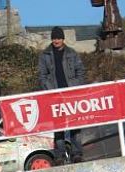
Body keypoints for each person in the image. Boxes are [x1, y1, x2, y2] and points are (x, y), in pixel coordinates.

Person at [38, 27, 86, 164]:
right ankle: (59, 155)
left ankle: (76, 153)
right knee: (58, 126)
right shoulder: (45, 55)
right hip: (55, 96)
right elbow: (42, 75)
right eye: (54, 38)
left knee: (75, 124)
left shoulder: (72, 53)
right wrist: (50, 90)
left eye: (58, 38)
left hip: (71, 94)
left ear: (63, 39)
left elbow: (80, 71)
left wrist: (75, 86)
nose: (56, 41)